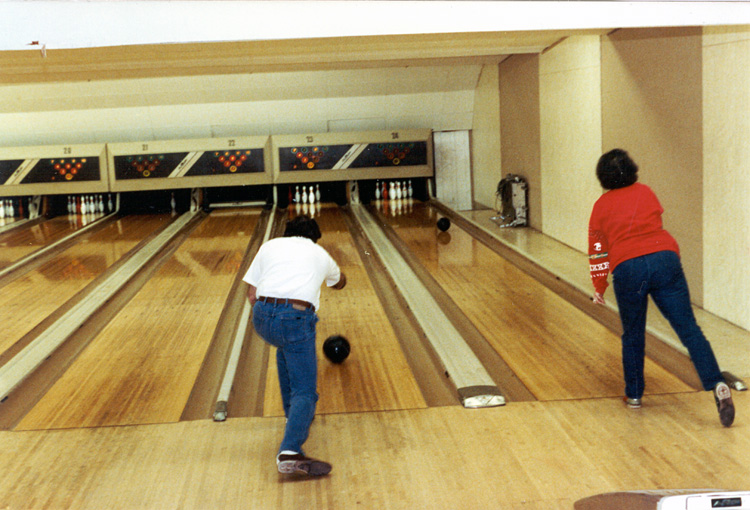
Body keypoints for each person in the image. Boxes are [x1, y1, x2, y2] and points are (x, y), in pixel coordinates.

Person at [588, 149, 734, 427]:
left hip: (629, 268)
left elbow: (597, 250)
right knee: (689, 330)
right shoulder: (645, 192)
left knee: (633, 334)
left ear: (603, 177)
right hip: (665, 259)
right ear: (631, 169)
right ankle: (716, 384)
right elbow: (654, 221)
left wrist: (599, 286)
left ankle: (634, 396)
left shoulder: (601, 206)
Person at [243, 215, 347, 476]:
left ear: (287, 232)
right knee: (306, 391)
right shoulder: (319, 253)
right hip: (296, 318)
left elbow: (251, 294)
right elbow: (339, 282)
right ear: (315, 237)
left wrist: (272, 316)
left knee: (285, 348)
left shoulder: (269, 246)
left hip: (262, 316)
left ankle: (294, 416)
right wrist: (337, 274)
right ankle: (290, 450)